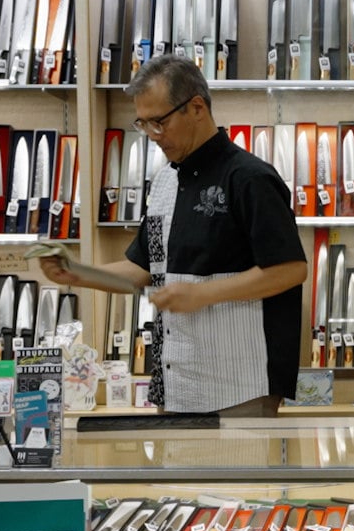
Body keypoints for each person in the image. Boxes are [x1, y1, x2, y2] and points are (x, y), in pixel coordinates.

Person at [39, 56, 306, 415]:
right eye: (143, 124)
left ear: (196, 108)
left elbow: (291, 269)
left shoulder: (249, 178)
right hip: (175, 384)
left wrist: (203, 293)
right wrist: (75, 273)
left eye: (159, 122)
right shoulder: (166, 181)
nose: (152, 136)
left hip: (241, 387)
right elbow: (142, 269)